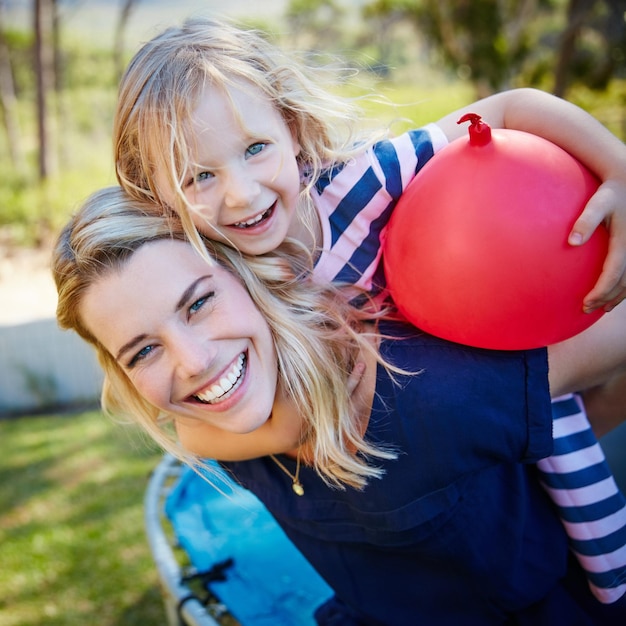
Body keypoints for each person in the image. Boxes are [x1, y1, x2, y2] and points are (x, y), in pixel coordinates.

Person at [111, 16, 626, 604]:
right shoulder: (216, 277)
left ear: (293, 129)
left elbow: (508, 109)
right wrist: (303, 422)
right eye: (199, 176)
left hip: (494, 362)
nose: (241, 194)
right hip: (426, 442)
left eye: (256, 149)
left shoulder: (363, 183)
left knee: (605, 557)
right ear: (158, 194)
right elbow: (195, 431)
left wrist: (618, 166)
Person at [53, 186, 626, 624]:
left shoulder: (411, 389)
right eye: (144, 350)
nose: (193, 362)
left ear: (249, 274)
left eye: (199, 303)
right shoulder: (218, 421)